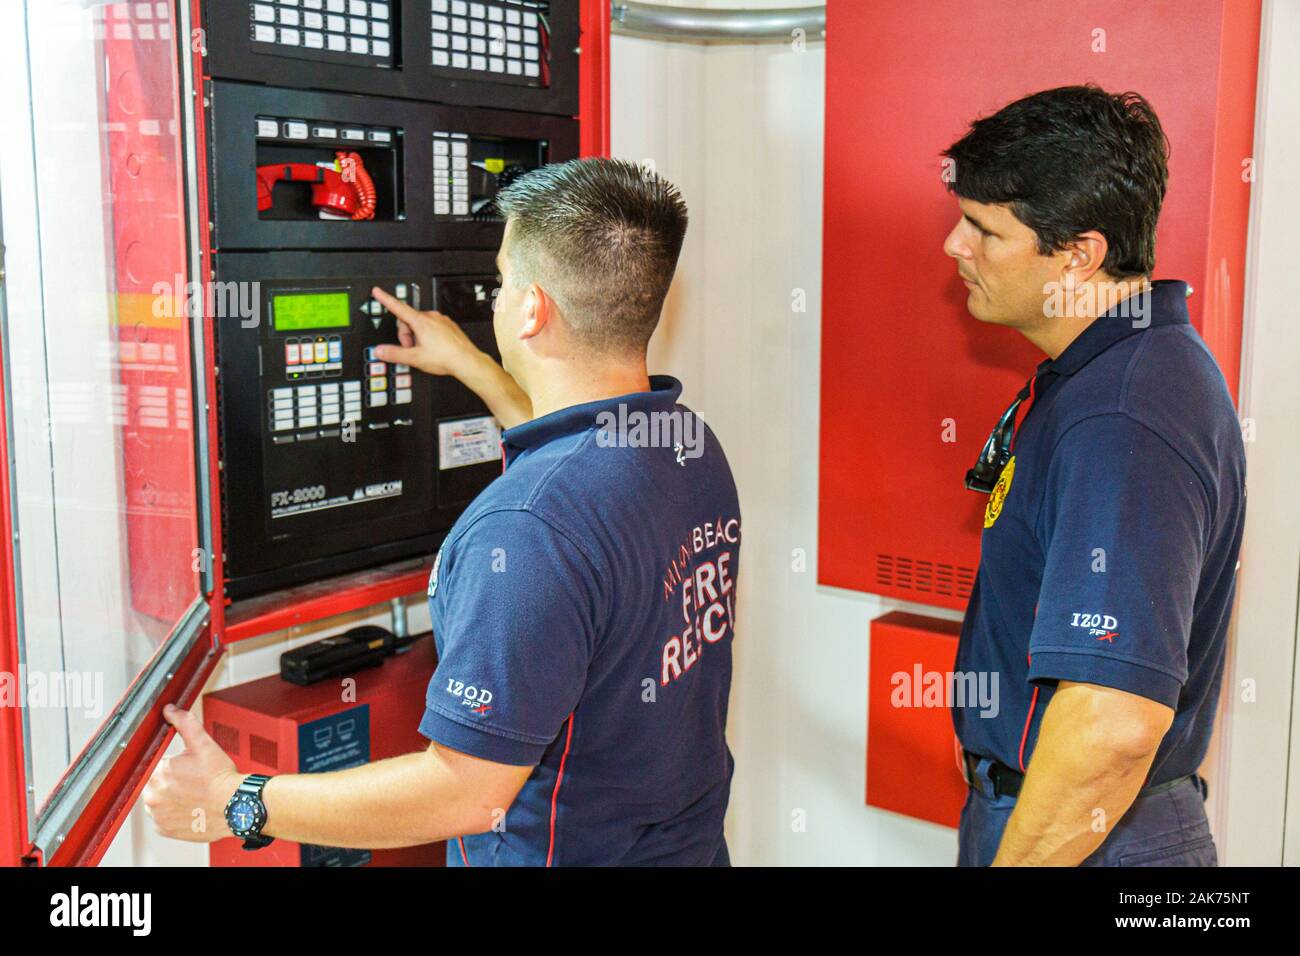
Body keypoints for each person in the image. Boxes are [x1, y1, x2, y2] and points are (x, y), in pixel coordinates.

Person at [145, 157, 742, 866]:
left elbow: (465, 791)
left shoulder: (529, 531)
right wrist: (466, 362)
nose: (494, 298)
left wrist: (238, 801)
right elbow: (580, 465)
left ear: (530, 309)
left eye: (500, 282)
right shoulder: (687, 446)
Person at [942, 86, 1246, 866]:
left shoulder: (1125, 416)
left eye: (984, 229)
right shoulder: (1106, 371)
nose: (955, 246)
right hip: (1065, 818)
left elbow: (1113, 720)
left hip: (1096, 839)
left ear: (1079, 253)